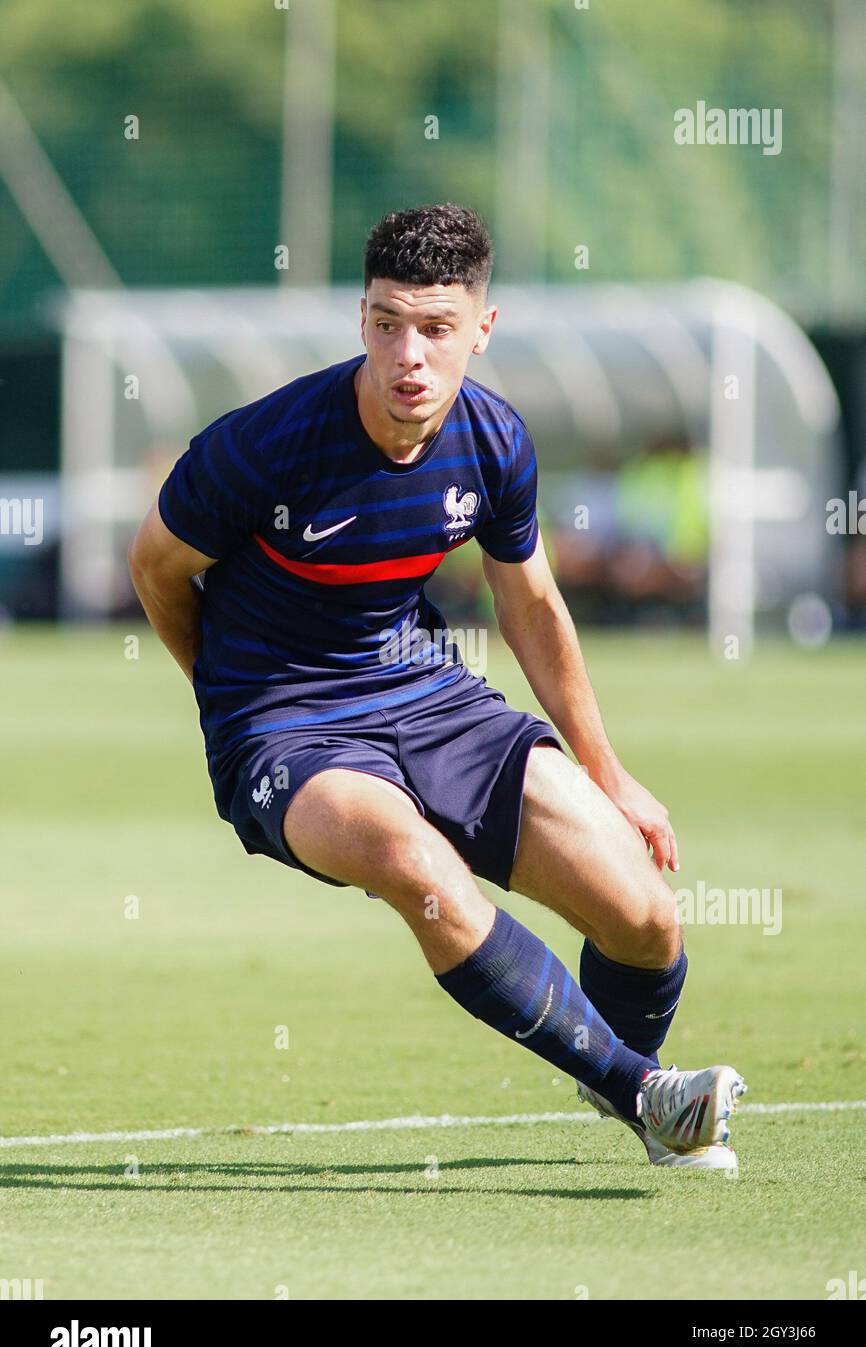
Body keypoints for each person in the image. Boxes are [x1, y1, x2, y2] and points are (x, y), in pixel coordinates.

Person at [129, 203, 746, 1169]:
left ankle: (617, 1069)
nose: (407, 355)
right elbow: (156, 567)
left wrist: (609, 773)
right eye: (385, 324)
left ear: (482, 331)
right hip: (285, 727)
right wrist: (228, 703)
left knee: (647, 922)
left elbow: (533, 607)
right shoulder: (266, 444)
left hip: (428, 694)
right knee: (414, 862)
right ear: (362, 320)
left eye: (435, 328)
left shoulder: (496, 442)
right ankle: (647, 1098)